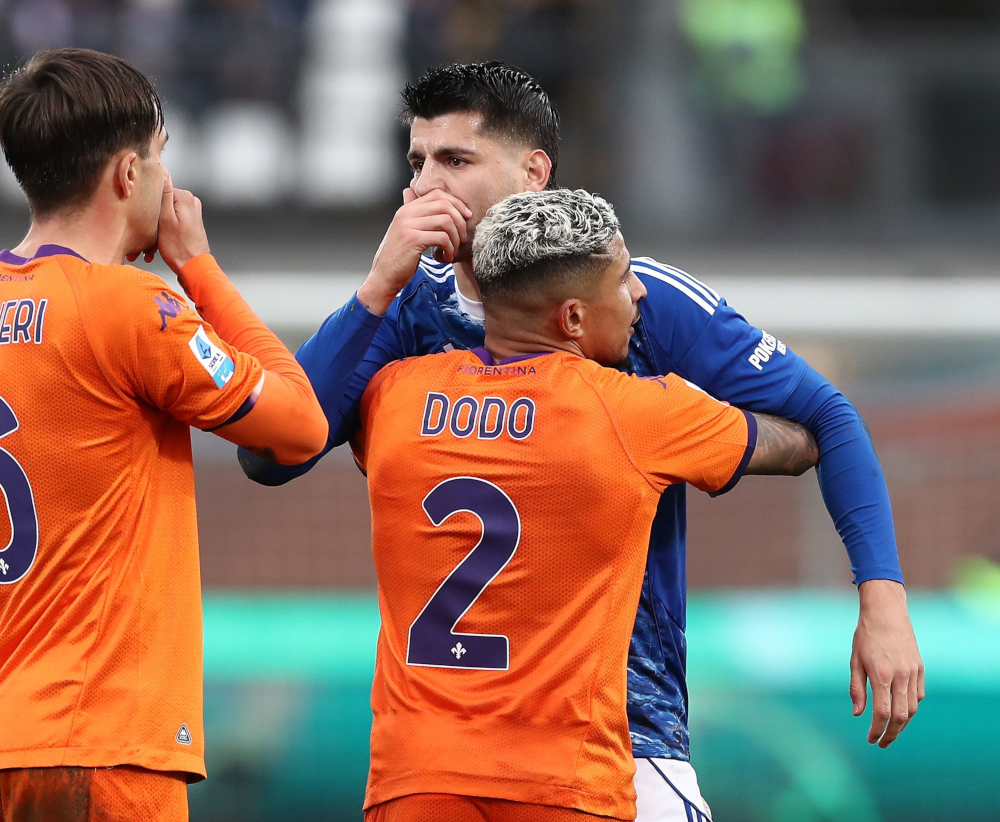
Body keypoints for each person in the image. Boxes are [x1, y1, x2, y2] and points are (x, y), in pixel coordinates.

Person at [239, 62, 924, 819]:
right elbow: (269, 457)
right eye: (417, 162)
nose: (424, 188)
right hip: (482, 740)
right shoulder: (402, 309)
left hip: (613, 728)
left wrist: (882, 601)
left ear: (533, 174)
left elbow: (830, 416)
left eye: (455, 160)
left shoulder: (634, 298)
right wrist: (377, 286)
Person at [0, 48, 327, 822]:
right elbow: (301, 426)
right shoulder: (132, 309)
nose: (169, 184)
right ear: (128, 173)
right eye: (161, 158)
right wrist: (200, 268)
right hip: (106, 748)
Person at [353, 188, 819, 821]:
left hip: (415, 778)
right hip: (562, 780)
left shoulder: (394, 397)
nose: (640, 294)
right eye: (623, 280)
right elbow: (802, 442)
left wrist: (376, 288)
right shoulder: (633, 412)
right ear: (572, 319)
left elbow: (284, 441)